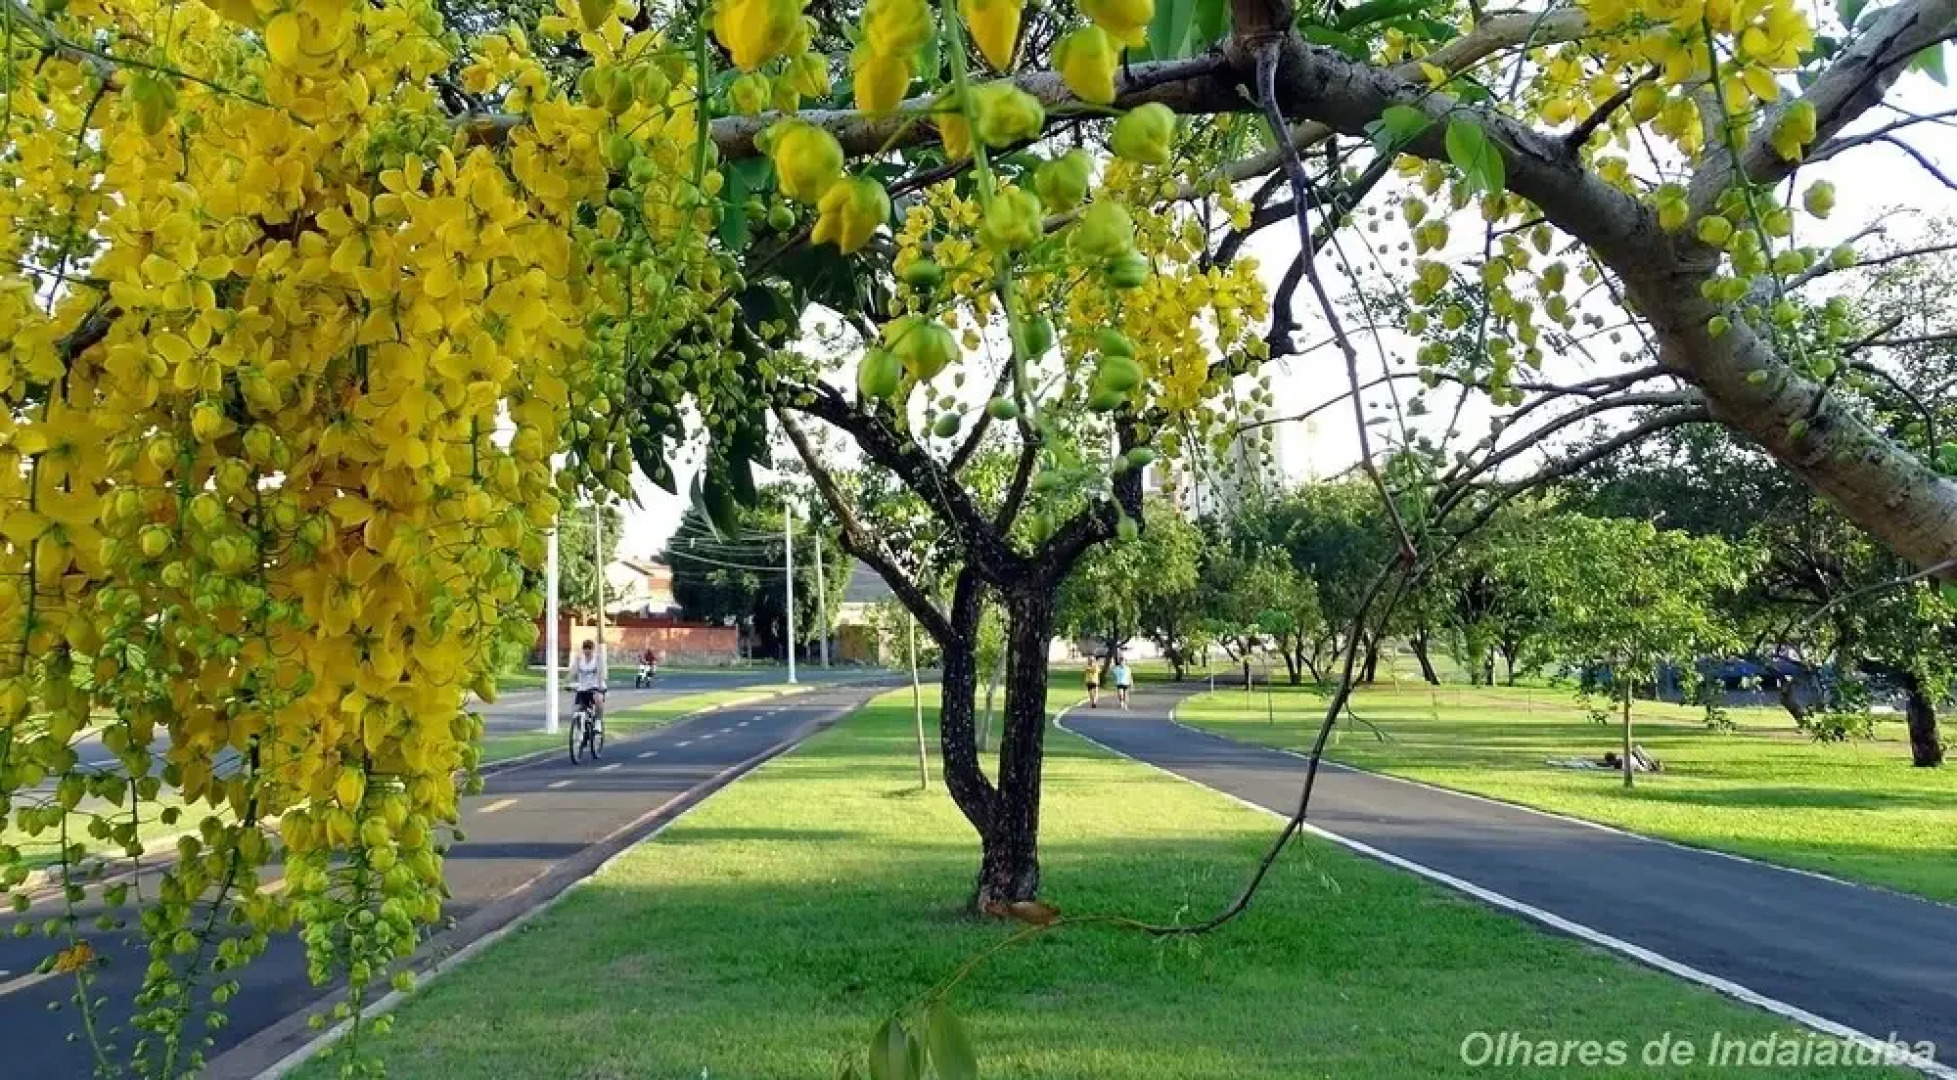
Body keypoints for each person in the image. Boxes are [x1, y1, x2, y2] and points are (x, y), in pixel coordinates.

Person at [572, 639, 606, 733]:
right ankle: (580, 732)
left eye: (589, 649)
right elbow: (573, 671)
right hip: (583, 687)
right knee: (577, 710)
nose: (587, 651)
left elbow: (600, 673)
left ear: (593, 649)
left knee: (598, 699)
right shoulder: (579, 658)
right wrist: (564, 682)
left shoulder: (597, 658)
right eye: (585, 649)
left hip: (596, 686)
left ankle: (598, 722)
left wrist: (599, 687)